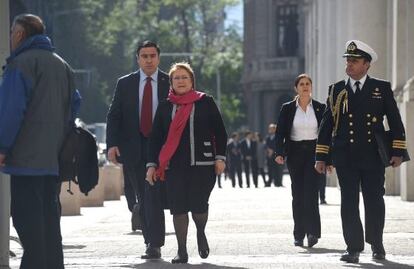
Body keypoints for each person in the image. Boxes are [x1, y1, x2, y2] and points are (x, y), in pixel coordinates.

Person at [315, 40, 407, 263]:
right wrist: (321, 156)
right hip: (345, 155)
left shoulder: (380, 88)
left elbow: (395, 121)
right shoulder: (337, 89)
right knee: (348, 202)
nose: (349, 64)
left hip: (373, 155)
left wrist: (397, 151)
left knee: (374, 200)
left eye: (354, 61)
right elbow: (327, 125)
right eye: (348, 60)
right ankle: (353, 247)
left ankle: (376, 243)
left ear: (367, 64)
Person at [0, 14, 80, 268]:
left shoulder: (21, 64)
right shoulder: (62, 64)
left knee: (26, 219)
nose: (11, 36)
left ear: (20, 35)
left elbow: (11, 110)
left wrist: (2, 147)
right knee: (49, 221)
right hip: (52, 159)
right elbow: (75, 103)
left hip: (26, 159)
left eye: (13, 31)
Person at [146, 62, 227, 264]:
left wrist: (220, 158)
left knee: (199, 207)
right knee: (178, 208)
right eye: (176, 78)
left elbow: (220, 131)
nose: (180, 81)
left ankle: (200, 231)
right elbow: (155, 138)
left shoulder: (205, 102)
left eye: (184, 77)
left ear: (191, 81)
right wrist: (151, 165)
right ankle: (181, 250)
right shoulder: (165, 107)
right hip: (173, 167)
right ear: (171, 82)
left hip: (203, 164)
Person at [106, 40, 169, 259]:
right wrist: (112, 145)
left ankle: (155, 243)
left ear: (158, 58)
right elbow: (114, 115)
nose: (149, 60)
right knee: (142, 197)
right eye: (144, 56)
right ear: (138, 59)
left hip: (161, 148)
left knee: (155, 196)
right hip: (133, 148)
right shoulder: (125, 83)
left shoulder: (169, 81)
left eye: (153, 55)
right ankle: (151, 242)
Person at [275, 74, 326, 248]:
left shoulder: (320, 108)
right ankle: (298, 234)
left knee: (312, 194)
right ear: (296, 88)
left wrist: (328, 158)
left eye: (308, 84)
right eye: (301, 84)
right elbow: (280, 132)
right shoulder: (288, 108)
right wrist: (279, 152)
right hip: (295, 153)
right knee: (298, 195)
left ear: (311, 87)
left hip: (314, 153)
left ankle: (313, 233)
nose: (305, 86)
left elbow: (326, 135)